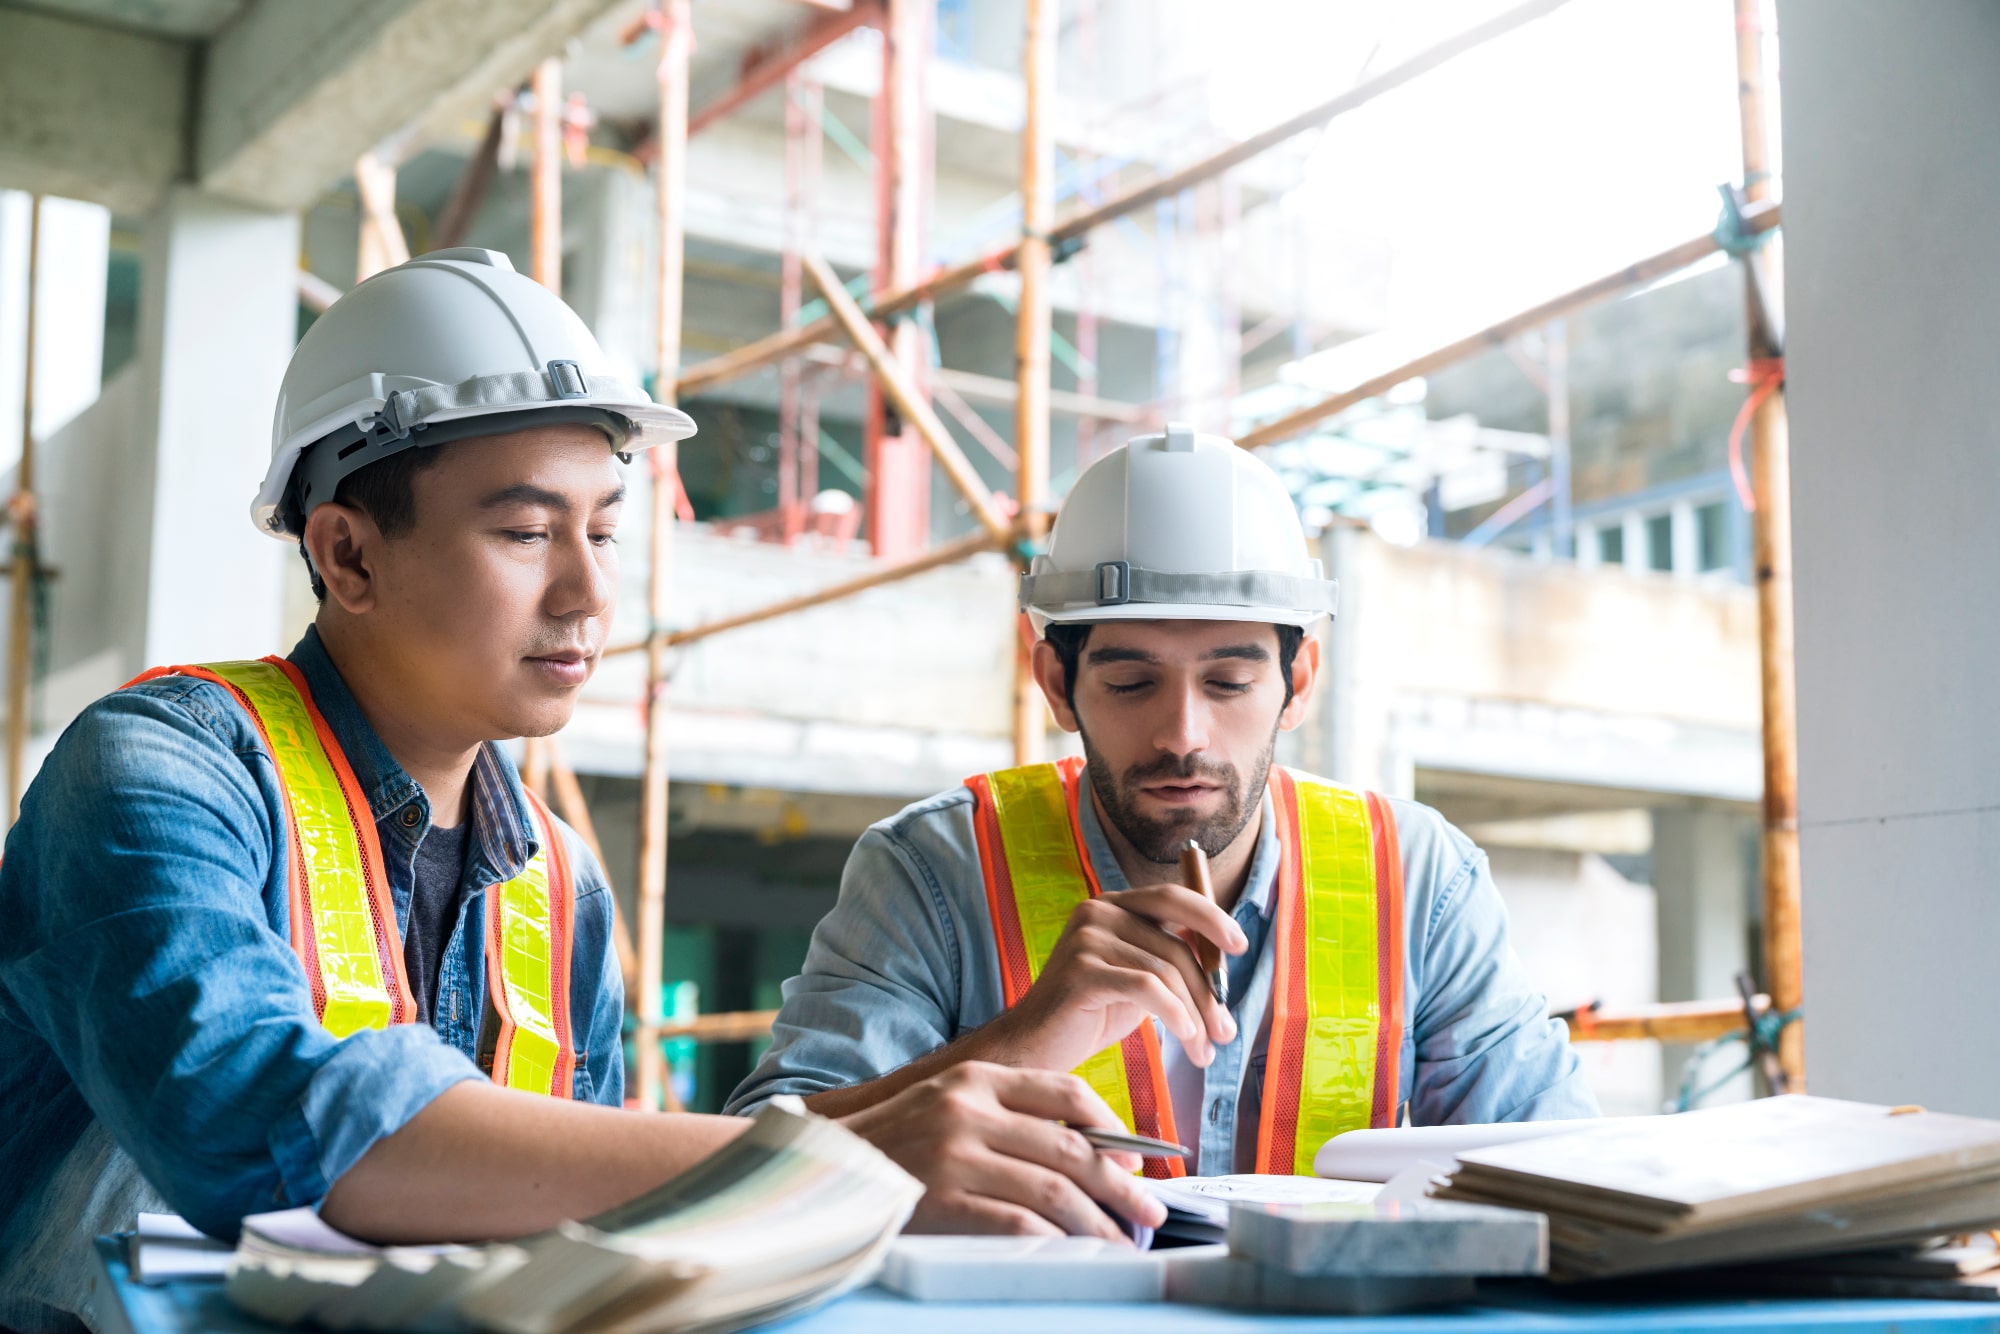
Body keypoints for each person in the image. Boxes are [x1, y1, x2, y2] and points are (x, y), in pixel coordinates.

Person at [0, 249, 1161, 1334]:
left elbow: (596, 1191)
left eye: (604, 530)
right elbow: (260, 1118)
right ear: (347, 553)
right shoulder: (158, 769)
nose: (588, 592)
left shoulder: (557, 881)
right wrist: (860, 1157)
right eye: (523, 530)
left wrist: (967, 1081)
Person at [729, 424, 1599, 1179]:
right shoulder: (934, 871)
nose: (1182, 733)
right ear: (1058, 685)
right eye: (1133, 680)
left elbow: (1561, 1172)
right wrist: (1020, 1040)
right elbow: (746, 1166)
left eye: (1228, 680)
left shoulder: (1414, 877)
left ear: (1297, 685)